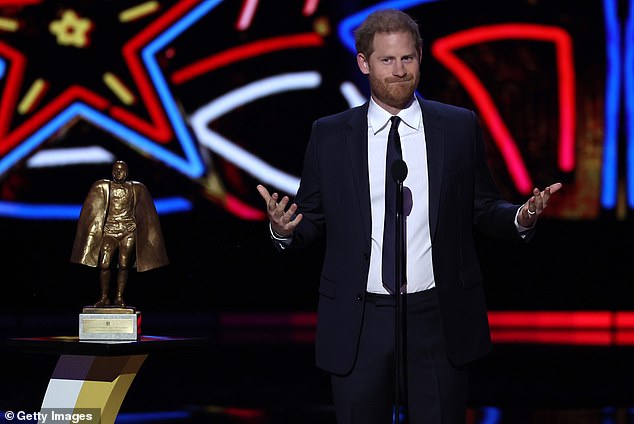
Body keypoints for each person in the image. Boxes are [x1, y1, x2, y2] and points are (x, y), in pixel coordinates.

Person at [257, 8, 561, 424]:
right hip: (360, 319)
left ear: (420, 57)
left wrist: (522, 217)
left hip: (438, 316)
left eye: (408, 58)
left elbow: (484, 207)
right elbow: (311, 219)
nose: (399, 71)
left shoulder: (456, 127)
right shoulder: (329, 134)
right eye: (387, 60)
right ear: (363, 63)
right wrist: (284, 230)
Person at [71, 160, 168, 308]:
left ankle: (119, 297)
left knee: (124, 265)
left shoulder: (136, 188)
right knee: (104, 264)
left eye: (121, 170)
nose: (118, 173)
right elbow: (92, 210)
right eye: (116, 170)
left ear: (127, 173)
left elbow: (146, 213)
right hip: (109, 231)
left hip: (127, 231)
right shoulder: (104, 187)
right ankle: (104, 297)